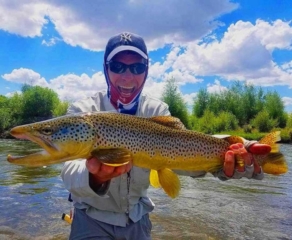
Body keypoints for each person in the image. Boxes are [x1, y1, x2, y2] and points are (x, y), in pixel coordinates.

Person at [61, 32, 271, 240]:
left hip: (137, 220)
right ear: (106, 69)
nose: (127, 76)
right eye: (117, 66)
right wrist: (94, 176)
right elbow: (69, 170)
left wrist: (234, 151)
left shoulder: (157, 110)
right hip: (89, 219)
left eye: (137, 67)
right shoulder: (83, 111)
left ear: (147, 71)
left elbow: (180, 151)